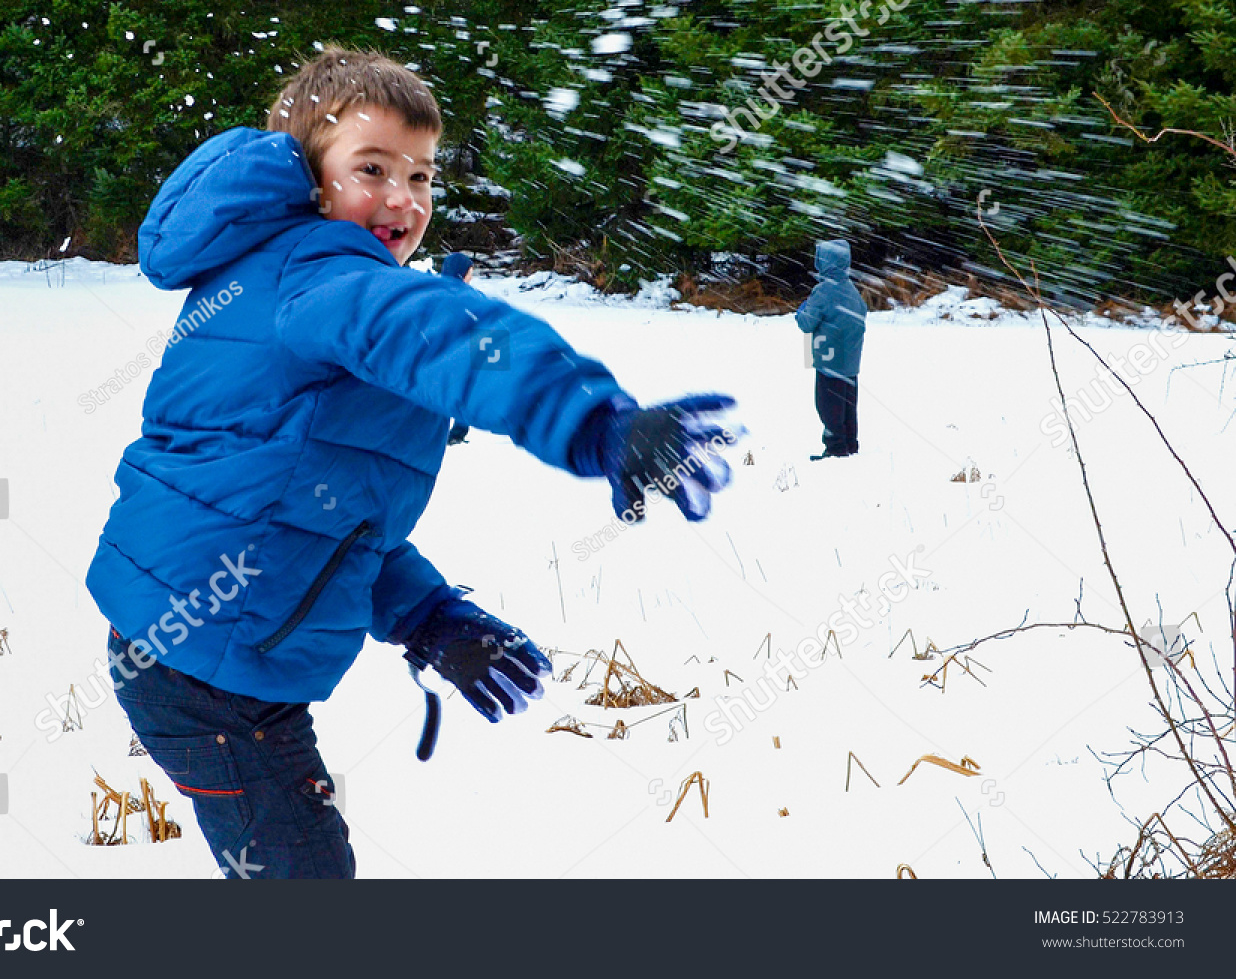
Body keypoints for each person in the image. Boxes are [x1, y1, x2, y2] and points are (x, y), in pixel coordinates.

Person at [84, 46, 738, 879]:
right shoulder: (323, 276)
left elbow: (317, 510)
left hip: (197, 645)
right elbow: (452, 335)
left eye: (423, 175)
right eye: (372, 168)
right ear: (310, 179)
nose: (403, 198)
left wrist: (427, 614)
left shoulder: (277, 274)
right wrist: (596, 423)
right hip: (212, 666)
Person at [795, 238, 867, 460]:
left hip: (829, 360)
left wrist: (802, 310)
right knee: (847, 405)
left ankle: (835, 447)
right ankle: (849, 443)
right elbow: (860, 315)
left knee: (828, 405)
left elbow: (807, 324)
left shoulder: (823, 290)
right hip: (850, 361)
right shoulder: (851, 289)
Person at [440, 252, 474, 445]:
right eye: (470, 272)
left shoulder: (429, 292)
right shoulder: (471, 297)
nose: (471, 276)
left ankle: (452, 433)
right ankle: (457, 433)